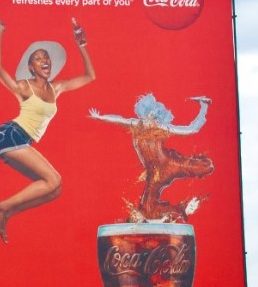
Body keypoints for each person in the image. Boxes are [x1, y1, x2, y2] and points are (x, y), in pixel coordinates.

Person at [0, 17, 95, 243]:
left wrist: (82, 46)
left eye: (46, 57)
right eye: (38, 58)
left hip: (21, 139)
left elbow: (89, 77)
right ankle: (0, 207)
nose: (44, 60)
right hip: (10, 134)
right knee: (53, 180)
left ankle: (7, 213)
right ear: (31, 67)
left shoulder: (56, 88)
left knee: (54, 190)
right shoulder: (24, 87)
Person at [88, 93, 213, 221]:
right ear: (144, 115)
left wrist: (203, 107)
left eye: (153, 119)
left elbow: (192, 129)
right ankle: (177, 210)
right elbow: (118, 119)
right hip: (155, 175)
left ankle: (204, 102)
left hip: (170, 164)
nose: (150, 122)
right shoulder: (136, 124)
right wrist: (100, 117)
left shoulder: (161, 127)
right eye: (148, 118)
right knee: (147, 210)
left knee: (207, 167)